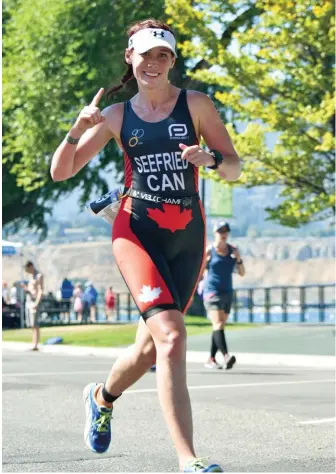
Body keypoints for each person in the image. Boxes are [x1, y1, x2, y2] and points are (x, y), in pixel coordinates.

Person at [50, 18, 241, 473]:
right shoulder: (116, 116)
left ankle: (102, 397)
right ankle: (189, 460)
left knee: (149, 349)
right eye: (145, 55)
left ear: (172, 61)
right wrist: (76, 130)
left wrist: (210, 158)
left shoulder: (196, 105)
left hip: (187, 238)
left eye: (163, 55)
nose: (153, 63)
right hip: (136, 233)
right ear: (129, 58)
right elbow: (62, 171)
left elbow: (233, 167)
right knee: (173, 336)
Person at [202, 222, 245, 370]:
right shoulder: (209, 251)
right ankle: (226, 356)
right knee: (218, 323)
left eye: (226, 230)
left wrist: (238, 258)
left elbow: (241, 272)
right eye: (220, 231)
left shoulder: (233, 250)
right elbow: (200, 272)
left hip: (227, 291)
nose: (223, 233)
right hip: (212, 291)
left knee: (219, 326)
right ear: (215, 232)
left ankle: (211, 358)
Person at [23, 261, 44, 351]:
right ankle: (33, 343)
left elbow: (40, 290)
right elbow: (31, 289)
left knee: (35, 324)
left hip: (34, 301)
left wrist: (36, 303)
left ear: (31, 266)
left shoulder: (39, 276)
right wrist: (26, 289)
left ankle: (35, 345)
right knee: (31, 324)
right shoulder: (30, 276)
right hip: (29, 300)